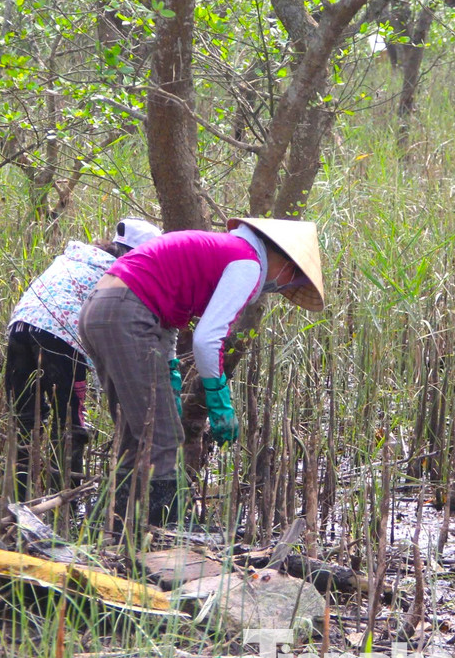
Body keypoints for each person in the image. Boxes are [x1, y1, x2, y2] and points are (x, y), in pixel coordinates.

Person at [78, 217, 325, 537]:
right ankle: (165, 530)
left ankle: (111, 529)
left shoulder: (223, 250)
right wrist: (219, 397)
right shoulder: (247, 262)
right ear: (288, 267)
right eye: (292, 280)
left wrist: (170, 368)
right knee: (163, 437)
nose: (284, 287)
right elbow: (208, 340)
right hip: (126, 313)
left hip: (100, 308)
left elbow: (166, 312)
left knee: (138, 435)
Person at [5, 217, 161, 500]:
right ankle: (65, 500)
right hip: (59, 336)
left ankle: (17, 499)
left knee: (24, 419)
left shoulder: (74, 258)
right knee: (69, 424)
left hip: (20, 327)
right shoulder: (121, 274)